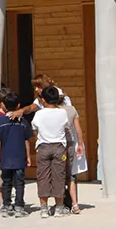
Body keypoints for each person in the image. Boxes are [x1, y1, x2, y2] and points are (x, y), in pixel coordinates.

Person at [0, 89, 31, 218]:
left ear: (3, 105)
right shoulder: (23, 122)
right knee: (19, 182)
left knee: (6, 182)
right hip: (20, 157)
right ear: (18, 106)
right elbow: (26, 140)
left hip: (5, 158)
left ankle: (7, 206)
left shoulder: (1, 123)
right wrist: (29, 156)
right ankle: (19, 206)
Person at [32, 86, 70, 218]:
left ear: (43, 99)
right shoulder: (62, 113)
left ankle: (44, 208)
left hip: (43, 146)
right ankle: (59, 207)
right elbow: (66, 126)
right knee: (59, 176)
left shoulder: (39, 114)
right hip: (59, 146)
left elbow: (35, 128)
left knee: (43, 177)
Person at [60, 102, 88, 214]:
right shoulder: (71, 109)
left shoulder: (54, 111)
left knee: (60, 174)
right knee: (71, 175)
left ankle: (61, 204)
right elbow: (78, 128)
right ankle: (74, 204)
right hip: (70, 144)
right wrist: (80, 143)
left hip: (58, 145)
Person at [7, 74, 73, 120]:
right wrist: (21, 110)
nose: (36, 90)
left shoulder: (61, 96)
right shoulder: (40, 98)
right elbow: (31, 108)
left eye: (38, 86)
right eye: (35, 87)